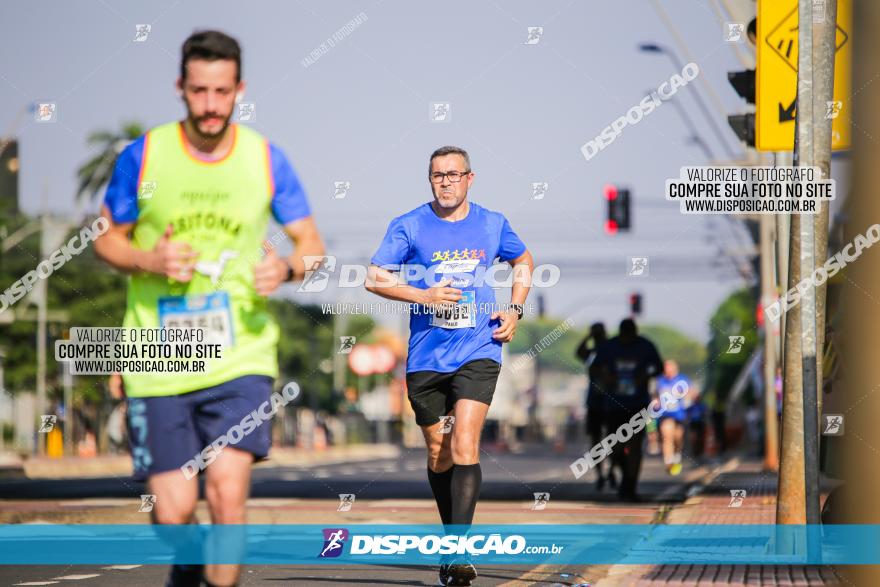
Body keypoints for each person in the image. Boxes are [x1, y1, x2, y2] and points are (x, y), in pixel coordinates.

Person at [94, 30, 324, 587]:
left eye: (222, 92)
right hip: (158, 354)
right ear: (181, 88)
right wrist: (148, 258)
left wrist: (288, 268)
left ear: (239, 89)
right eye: (199, 91)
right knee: (173, 513)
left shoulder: (265, 159)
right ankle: (188, 562)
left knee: (227, 495)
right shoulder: (144, 155)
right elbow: (103, 237)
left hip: (240, 354)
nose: (211, 105)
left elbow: (313, 247)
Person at [365, 145, 533, 586]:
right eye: (438, 175)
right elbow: (374, 277)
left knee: (464, 445)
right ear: (430, 180)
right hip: (426, 356)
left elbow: (523, 261)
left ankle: (458, 552)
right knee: (439, 455)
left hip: (479, 349)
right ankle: (450, 538)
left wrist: (515, 308)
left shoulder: (493, 224)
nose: (446, 182)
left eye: (454, 174)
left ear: (470, 178)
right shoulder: (409, 225)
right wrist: (424, 296)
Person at [592, 318, 663, 501]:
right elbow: (594, 368)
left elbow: (659, 367)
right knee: (616, 445)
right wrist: (606, 376)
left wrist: (645, 375)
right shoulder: (609, 347)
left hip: (638, 404)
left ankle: (629, 485)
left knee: (635, 446)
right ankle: (622, 473)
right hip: (613, 405)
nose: (627, 341)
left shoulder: (646, 346)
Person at [575, 322, 616, 490]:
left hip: (611, 401)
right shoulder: (592, 353)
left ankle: (611, 471)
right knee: (596, 439)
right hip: (595, 402)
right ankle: (601, 474)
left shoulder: (613, 349)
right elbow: (578, 352)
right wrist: (589, 337)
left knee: (614, 439)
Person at [655, 360, 691, 476]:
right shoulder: (660, 380)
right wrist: (655, 402)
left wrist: (688, 399)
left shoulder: (682, 379)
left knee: (678, 437)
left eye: (669, 367)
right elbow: (655, 394)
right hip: (666, 414)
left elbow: (690, 392)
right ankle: (668, 461)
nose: (667, 370)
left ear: (675, 368)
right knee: (667, 436)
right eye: (665, 367)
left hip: (679, 414)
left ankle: (676, 454)